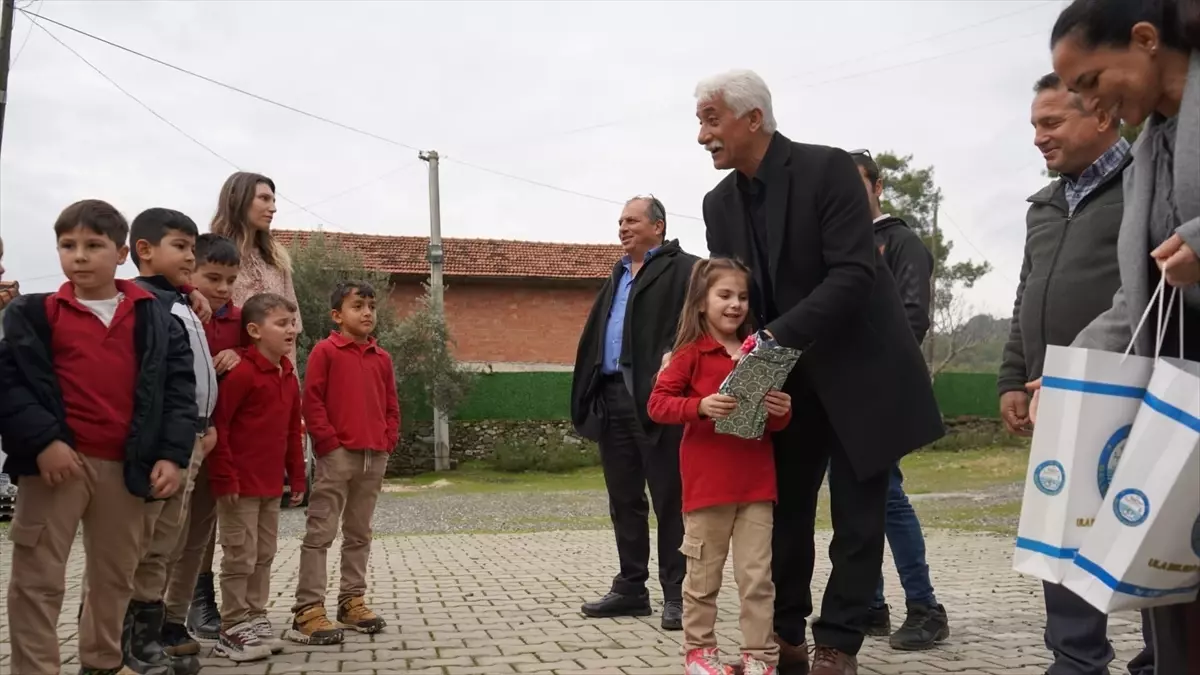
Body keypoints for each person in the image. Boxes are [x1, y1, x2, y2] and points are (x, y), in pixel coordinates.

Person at [694, 70, 945, 675]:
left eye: (710, 119)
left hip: (863, 372)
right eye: (700, 121)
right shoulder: (718, 203)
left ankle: (838, 643)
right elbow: (737, 292)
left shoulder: (828, 169)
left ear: (752, 119)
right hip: (786, 385)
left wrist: (777, 335)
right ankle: (785, 635)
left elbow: (854, 273)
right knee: (784, 516)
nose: (702, 135)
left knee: (860, 520)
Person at [1049, 1, 1200, 672]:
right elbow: (1136, 292)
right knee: (1172, 589)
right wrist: (1071, 368)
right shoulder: (1147, 152)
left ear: (1145, 41)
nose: (1087, 100)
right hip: (1176, 410)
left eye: (1087, 80)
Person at [999, 71, 1157, 675]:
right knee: (1060, 531)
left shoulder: (1143, 183)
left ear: (1100, 115)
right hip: (1052, 394)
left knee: (1142, 526)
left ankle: (1159, 658)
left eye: (1051, 122)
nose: (1039, 137)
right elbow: (1024, 296)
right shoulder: (1044, 204)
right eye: (1034, 125)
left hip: (1129, 389)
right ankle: (1075, 659)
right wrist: (1013, 377)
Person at [0, 199, 195, 675]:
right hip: (55, 468)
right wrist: (44, 441)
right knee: (37, 580)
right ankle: (35, 668)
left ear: (122, 252)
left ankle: (103, 663)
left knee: (114, 579)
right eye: (68, 246)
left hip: (127, 469)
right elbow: (11, 385)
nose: (79, 256)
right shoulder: (36, 315)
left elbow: (178, 393)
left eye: (93, 245)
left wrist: (172, 456)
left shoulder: (156, 319)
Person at [647, 257, 793, 675]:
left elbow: (775, 420)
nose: (735, 305)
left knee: (757, 580)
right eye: (725, 295)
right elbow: (657, 404)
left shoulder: (761, 356)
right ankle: (699, 653)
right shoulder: (688, 354)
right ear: (700, 303)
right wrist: (700, 406)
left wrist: (782, 410)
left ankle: (759, 657)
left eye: (743, 297)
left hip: (757, 486)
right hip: (707, 486)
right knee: (702, 579)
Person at [570, 195, 698, 630]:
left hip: (659, 401)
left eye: (632, 220)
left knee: (669, 499)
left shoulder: (686, 269)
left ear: (658, 227)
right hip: (611, 399)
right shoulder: (618, 273)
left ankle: (677, 595)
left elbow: (699, 327)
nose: (622, 227)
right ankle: (631, 589)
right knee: (624, 500)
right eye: (620, 221)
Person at [845, 149, 948, 651]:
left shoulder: (900, 241)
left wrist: (872, 375)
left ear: (877, 186)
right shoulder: (840, 243)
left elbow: (913, 317)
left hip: (883, 390)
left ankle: (926, 607)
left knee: (887, 497)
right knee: (858, 498)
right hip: (840, 394)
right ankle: (871, 605)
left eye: (855, 183)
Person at [196, 170, 303, 632]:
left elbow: (289, 315)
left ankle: (246, 611)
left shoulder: (276, 257)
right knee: (210, 503)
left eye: (274, 198)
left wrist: (289, 371)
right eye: (264, 197)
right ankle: (200, 598)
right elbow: (212, 307)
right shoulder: (217, 249)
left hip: (271, 381)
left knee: (250, 516)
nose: (272, 205)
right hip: (226, 373)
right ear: (240, 199)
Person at [122, 208, 217, 675]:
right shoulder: (143, 303)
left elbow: (194, 377)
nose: (189, 257)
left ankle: (148, 637)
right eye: (180, 247)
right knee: (137, 546)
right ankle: (120, 644)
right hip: (159, 447)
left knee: (165, 545)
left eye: (192, 249)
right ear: (144, 250)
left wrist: (207, 422)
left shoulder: (181, 301)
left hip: (191, 440)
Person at [288, 280, 399, 645]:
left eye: (371, 306)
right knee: (320, 532)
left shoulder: (382, 358)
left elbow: (391, 406)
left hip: (373, 457)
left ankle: (352, 601)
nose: (367, 312)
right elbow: (312, 401)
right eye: (357, 306)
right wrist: (330, 444)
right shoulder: (326, 351)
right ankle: (308, 609)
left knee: (359, 533)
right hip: (337, 457)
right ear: (338, 315)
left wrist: (387, 441)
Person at [207, 292, 307, 662]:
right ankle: (231, 628)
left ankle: (255, 615)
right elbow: (222, 428)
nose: (291, 330)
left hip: (269, 486)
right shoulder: (241, 374)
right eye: (281, 323)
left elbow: (292, 434)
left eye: (292, 323)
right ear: (253, 330)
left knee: (264, 554)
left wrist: (297, 479)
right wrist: (225, 478)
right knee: (239, 555)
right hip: (239, 488)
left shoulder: (287, 375)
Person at [166, 233, 244, 644]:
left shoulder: (241, 321)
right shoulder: (174, 312)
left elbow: (267, 357)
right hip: (180, 443)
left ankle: (177, 620)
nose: (223, 288)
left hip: (221, 446)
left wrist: (243, 355)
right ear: (190, 271)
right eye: (212, 277)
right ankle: (147, 619)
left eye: (230, 280)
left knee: (197, 537)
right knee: (165, 538)